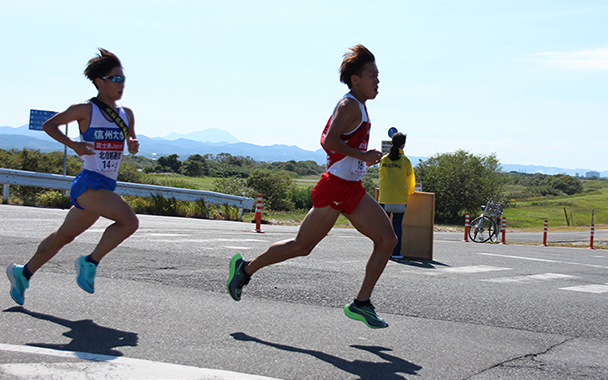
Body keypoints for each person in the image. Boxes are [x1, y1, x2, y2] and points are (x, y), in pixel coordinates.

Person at [227, 45, 397, 329]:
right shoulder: (349, 105)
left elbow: (342, 149)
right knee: (302, 246)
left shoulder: (360, 106)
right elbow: (329, 142)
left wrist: (362, 161)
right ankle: (245, 269)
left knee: (387, 240)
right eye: (372, 75)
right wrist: (363, 156)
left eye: (378, 75)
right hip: (335, 189)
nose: (377, 81)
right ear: (356, 79)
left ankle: (361, 303)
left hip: (351, 187)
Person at [6, 48, 140, 305]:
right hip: (89, 183)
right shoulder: (85, 109)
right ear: (100, 82)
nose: (122, 84)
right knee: (129, 222)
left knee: (64, 236)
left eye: (124, 79)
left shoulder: (126, 113)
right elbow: (49, 125)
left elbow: (129, 137)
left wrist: (132, 143)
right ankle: (89, 262)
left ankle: (23, 273)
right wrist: (74, 145)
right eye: (116, 79)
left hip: (106, 185)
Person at [378, 132, 416, 259]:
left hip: (384, 198)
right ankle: (396, 253)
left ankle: (382, 252)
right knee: (397, 226)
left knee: (383, 227)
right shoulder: (405, 160)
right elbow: (411, 179)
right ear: (403, 145)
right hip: (399, 198)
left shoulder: (384, 159)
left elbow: (381, 177)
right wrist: (410, 192)